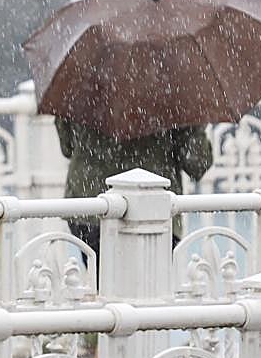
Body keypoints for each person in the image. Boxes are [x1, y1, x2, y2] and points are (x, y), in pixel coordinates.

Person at [55, 117, 213, 285]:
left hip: (92, 205)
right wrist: (195, 123)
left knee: (105, 285)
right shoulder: (172, 98)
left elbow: (67, 146)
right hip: (155, 209)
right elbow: (197, 164)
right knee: (150, 288)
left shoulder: (82, 93)